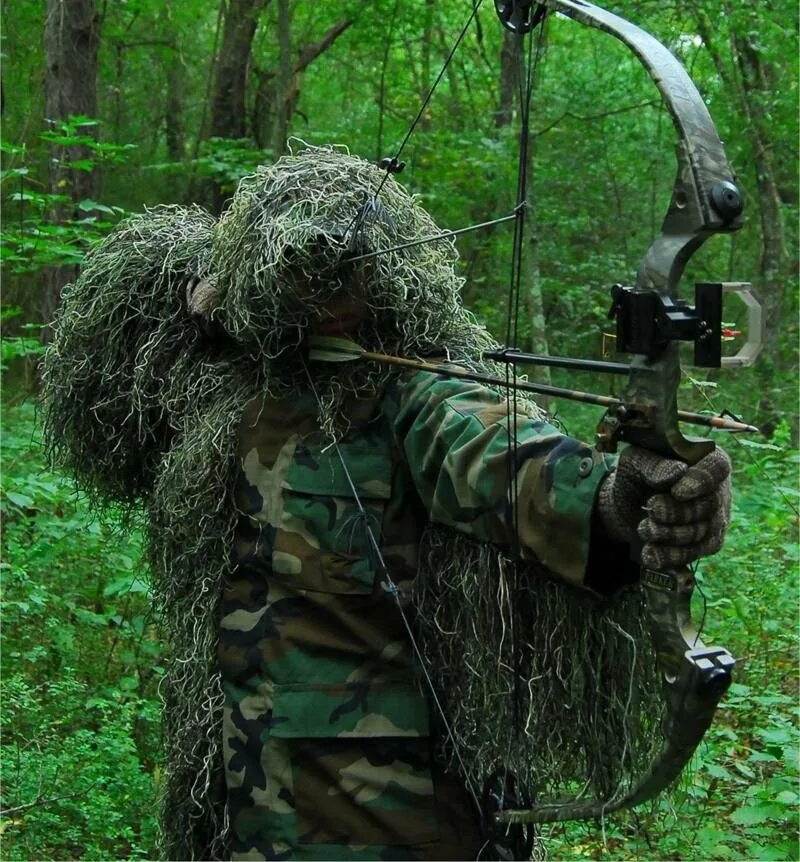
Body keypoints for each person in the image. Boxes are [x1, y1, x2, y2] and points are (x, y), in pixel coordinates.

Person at [43, 146, 731, 862]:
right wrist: (222, 300)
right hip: (236, 799)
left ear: (394, 274)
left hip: (377, 822)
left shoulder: (418, 399)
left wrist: (627, 500)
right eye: (306, 272)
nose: (334, 293)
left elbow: (524, 471)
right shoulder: (224, 382)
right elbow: (134, 338)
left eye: (354, 268)